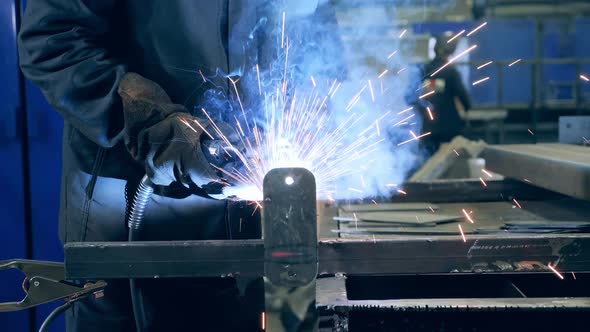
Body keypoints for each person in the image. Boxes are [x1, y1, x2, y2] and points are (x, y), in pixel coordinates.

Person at [17, 1, 340, 331]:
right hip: (131, 217)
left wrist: (312, 115)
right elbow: (52, 41)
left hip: (244, 227)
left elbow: (316, 38)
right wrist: (162, 130)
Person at [419, 31, 472, 153]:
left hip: (428, 126)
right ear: (451, 51)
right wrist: (468, 108)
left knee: (429, 161)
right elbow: (461, 94)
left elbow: (415, 95)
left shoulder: (424, 70)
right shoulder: (451, 71)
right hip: (449, 126)